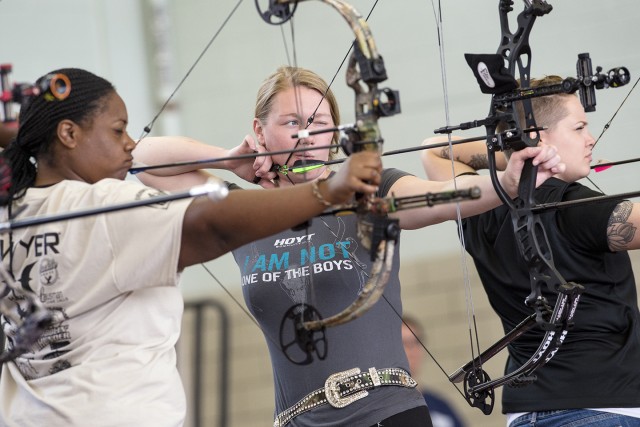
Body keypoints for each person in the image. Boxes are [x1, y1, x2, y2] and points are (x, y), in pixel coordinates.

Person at [132, 66, 563, 426]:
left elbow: (443, 196)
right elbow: (142, 159)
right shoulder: (243, 209)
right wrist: (228, 160)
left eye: (319, 124)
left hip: (388, 415)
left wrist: (505, 182)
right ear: (259, 131)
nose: (307, 136)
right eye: (292, 123)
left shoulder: (367, 192)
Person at [0, 67, 385, 427]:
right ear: (68, 135)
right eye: (118, 131)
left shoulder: (11, 212)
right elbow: (213, 225)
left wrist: (229, 161)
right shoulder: (104, 206)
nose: (131, 144)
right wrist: (328, 191)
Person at [422, 75, 640, 426]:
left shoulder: (481, 209)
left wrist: (515, 156)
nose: (590, 139)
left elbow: (433, 149)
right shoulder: (576, 206)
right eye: (579, 127)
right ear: (538, 137)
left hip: (525, 416)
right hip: (603, 409)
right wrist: (523, 152)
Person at [402, 315, 466, 427]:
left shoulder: (440, 406)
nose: (412, 350)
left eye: (416, 342)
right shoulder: (384, 409)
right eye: (404, 343)